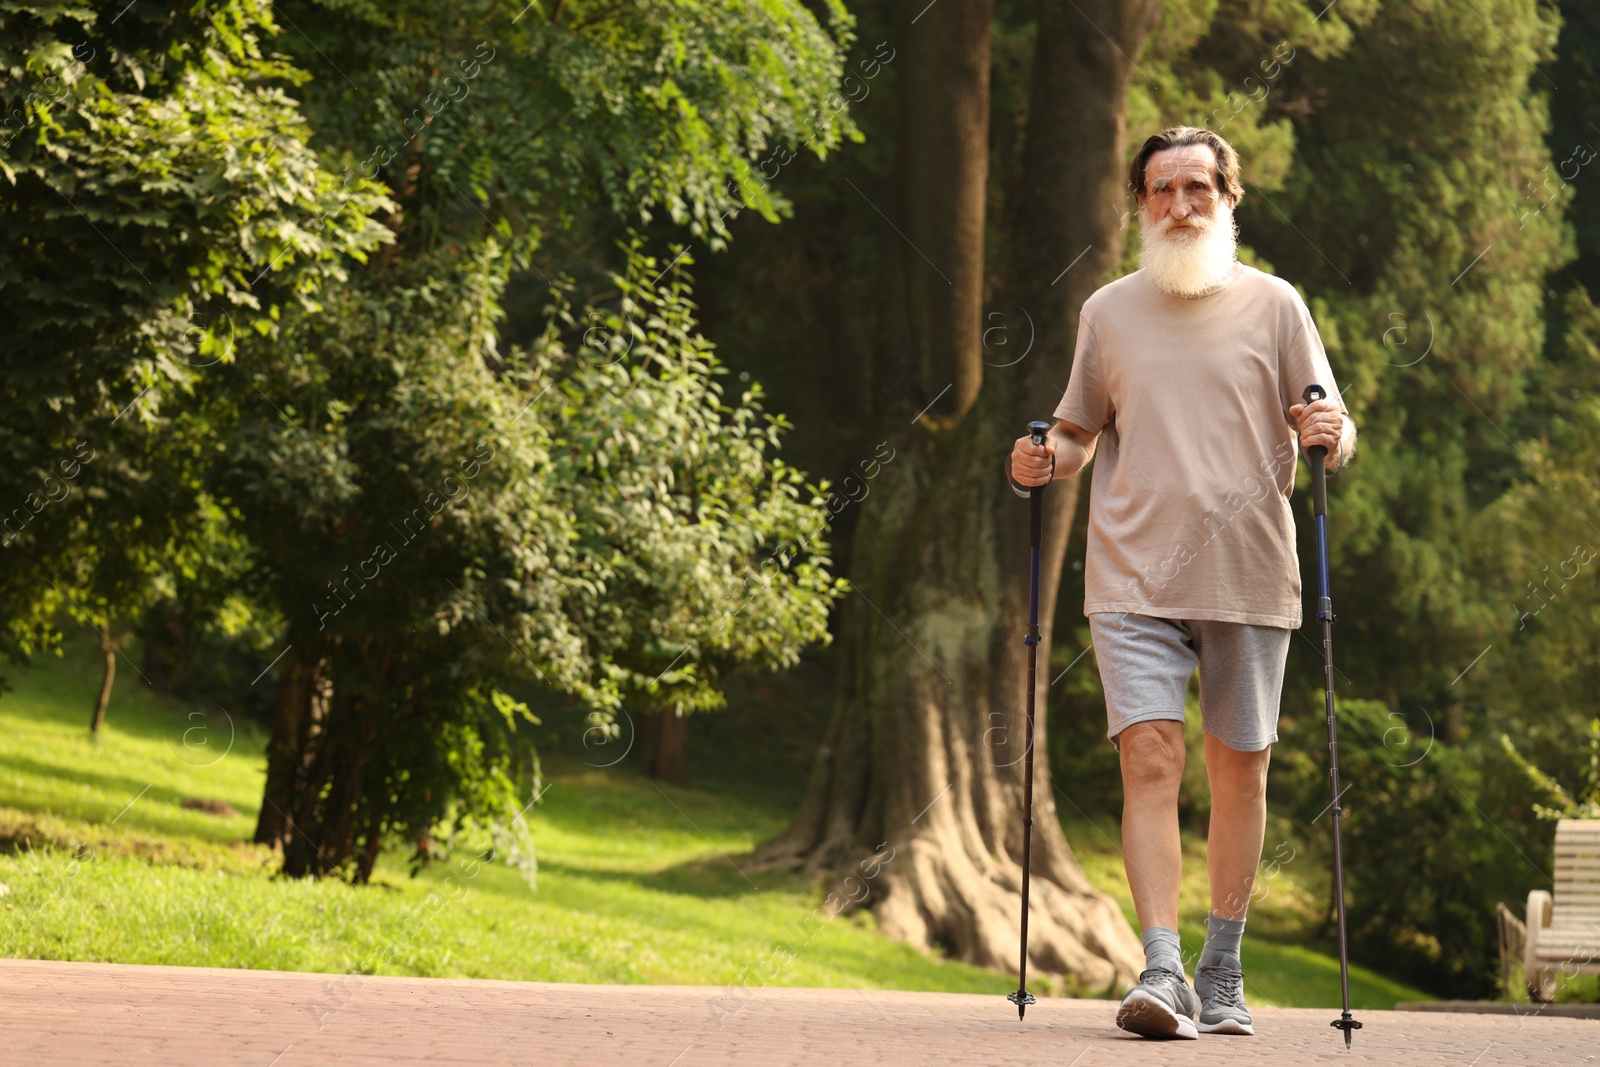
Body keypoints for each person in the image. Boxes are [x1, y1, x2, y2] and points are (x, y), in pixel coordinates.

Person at [1006, 125, 1356, 1039]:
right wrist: (1043, 458)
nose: (1179, 205)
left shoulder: (1278, 305)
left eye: (1197, 187)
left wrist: (1332, 436)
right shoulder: (1108, 312)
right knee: (1148, 755)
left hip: (1248, 571)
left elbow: (1331, 418)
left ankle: (1223, 965)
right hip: (1131, 573)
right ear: (1140, 204)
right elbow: (1078, 430)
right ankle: (1161, 968)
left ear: (1228, 200)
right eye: (1160, 190)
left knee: (1240, 768)